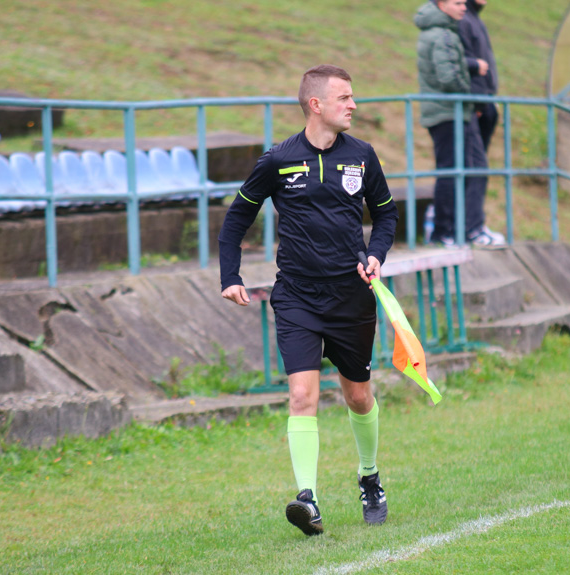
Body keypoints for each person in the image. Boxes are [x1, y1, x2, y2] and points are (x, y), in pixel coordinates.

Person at [219, 65, 398, 537]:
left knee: (358, 397)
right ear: (315, 104)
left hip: (351, 296)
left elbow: (385, 214)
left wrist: (376, 256)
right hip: (296, 296)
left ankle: (369, 476)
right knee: (302, 395)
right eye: (344, 97)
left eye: (353, 96)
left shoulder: (362, 155)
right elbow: (237, 216)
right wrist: (229, 275)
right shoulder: (277, 159)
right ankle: (308, 499)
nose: (353, 105)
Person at [415, 0, 505, 248]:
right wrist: (473, 95)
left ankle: (455, 230)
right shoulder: (442, 34)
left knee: (462, 169)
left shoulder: (446, 30)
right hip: (448, 112)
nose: (463, 6)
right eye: (457, 2)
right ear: (442, 5)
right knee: (452, 171)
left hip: (453, 111)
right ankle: (445, 232)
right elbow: (448, 77)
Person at [458, 0, 499, 151]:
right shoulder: (464, 20)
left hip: (485, 97)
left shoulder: (475, 18)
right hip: (476, 101)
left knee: (479, 158)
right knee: (473, 159)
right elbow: (461, 61)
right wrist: (477, 103)